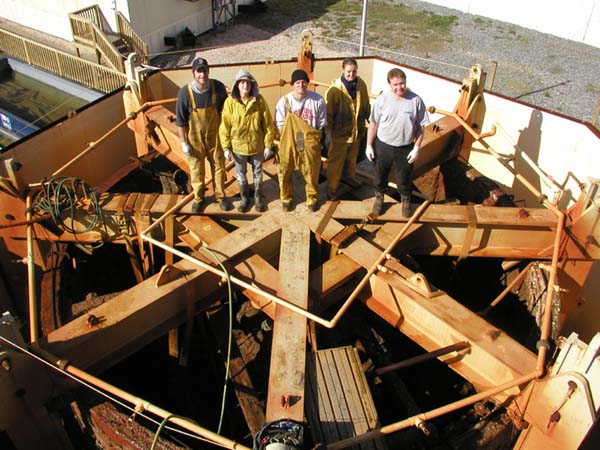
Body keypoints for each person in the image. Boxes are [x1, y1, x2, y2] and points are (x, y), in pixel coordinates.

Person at [365, 68, 429, 217]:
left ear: (405, 82)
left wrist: (417, 148)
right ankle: (379, 199)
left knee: (404, 179)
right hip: (383, 146)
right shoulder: (382, 100)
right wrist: (369, 145)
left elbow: (420, 127)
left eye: (402, 83)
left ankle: (405, 201)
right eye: (395, 84)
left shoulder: (416, 101)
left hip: (405, 148)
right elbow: (373, 124)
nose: (399, 87)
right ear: (389, 84)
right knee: (380, 176)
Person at [176, 57, 232, 213]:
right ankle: (199, 198)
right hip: (195, 141)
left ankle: (220, 197)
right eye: (199, 71)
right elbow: (181, 122)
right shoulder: (184, 94)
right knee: (196, 170)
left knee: (219, 167)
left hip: (216, 138)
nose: (202, 74)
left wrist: (228, 139)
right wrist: (183, 142)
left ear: (209, 71)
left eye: (204, 70)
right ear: (193, 73)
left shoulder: (218, 88)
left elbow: (226, 114)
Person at [219, 69, 275, 212]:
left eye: (248, 82)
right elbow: (224, 126)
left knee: (257, 172)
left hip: (256, 146)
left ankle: (258, 197)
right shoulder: (229, 103)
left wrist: (268, 145)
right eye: (242, 82)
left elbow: (268, 124)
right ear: (237, 85)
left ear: (252, 84)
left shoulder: (259, 101)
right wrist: (225, 148)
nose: (245, 85)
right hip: (238, 148)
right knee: (241, 175)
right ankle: (245, 198)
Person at [274, 69, 327, 212]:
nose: (300, 85)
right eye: (297, 82)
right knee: (285, 168)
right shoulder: (284, 102)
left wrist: (316, 140)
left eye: (303, 82)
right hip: (291, 137)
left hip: (310, 137)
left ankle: (312, 199)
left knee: (311, 169)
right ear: (293, 84)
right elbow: (279, 124)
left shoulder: (318, 100)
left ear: (307, 83)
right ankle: (286, 198)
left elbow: (321, 123)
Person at [324, 57, 371, 200]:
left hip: (356, 132)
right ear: (343, 70)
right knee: (335, 162)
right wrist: (328, 134)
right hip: (340, 135)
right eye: (349, 71)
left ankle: (349, 177)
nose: (351, 74)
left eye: (354, 71)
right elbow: (329, 115)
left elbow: (366, 105)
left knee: (351, 158)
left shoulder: (361, 85)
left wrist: (371, 121)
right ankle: (331, 189)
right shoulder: (334, 91)